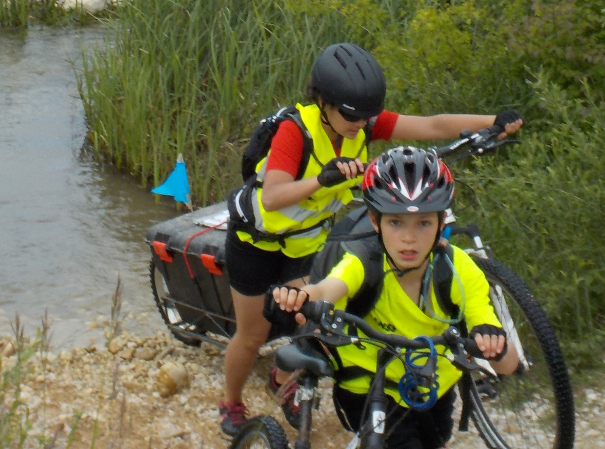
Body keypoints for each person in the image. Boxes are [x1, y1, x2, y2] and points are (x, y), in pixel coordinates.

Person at [218, 42, 523, 436]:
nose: (360, 123)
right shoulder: (296, 132)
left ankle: (281, 378)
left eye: (366, 116)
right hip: (255, 240)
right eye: (349, 115)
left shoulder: (361, 123)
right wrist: (323, 177)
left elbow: (431, 125)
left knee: (310, 317)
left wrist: (493, 120)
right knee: (254, 332)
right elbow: (273, 197)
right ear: (322, 101)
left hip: (305, 240)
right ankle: (231, 402)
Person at [274, 146, 519, 448]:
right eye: (395, 222)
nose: (408, 238)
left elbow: (504, 357)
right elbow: (328, 288)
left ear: (443, 223)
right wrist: (300, 297)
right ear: (375, 222)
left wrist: (493, 344)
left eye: (424, 223)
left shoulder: (458, 271)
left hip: (430, 391)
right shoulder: (363, 262)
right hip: (364, 386)